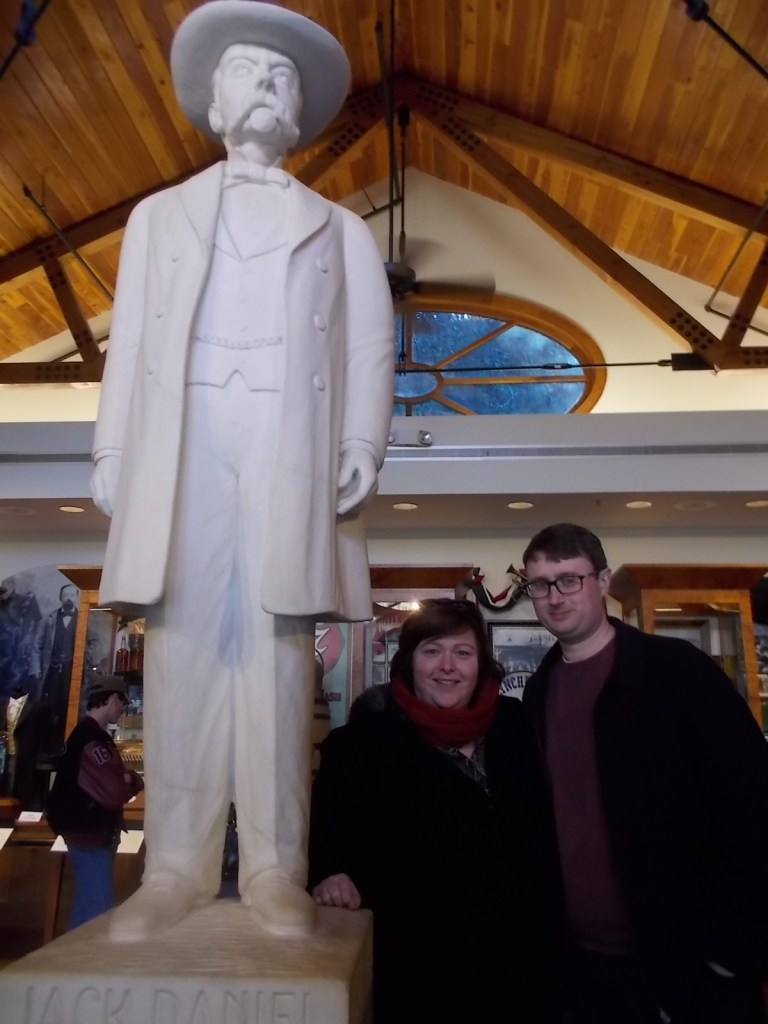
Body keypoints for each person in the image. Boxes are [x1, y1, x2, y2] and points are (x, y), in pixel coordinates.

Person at [89, 0, 393, 942]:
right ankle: (174, 864)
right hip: (186, 434)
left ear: (298, 114)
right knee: (180, 647)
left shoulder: (338, 227)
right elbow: (128, 339)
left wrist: (361, 444)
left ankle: (273, 867)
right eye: (247, 70)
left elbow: (373, 347)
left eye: (283, 76)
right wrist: (110, 448)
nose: (265, 83)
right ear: (212, 101)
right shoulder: (156, 217)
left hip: (288, 439)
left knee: (275, 650)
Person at [520, 522, 768, 1024]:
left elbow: (753, 806)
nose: (554, 597)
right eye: (540, 584)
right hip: (586, 969)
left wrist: (730, 957)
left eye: (570, 579)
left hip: (693, 967)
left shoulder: (677, 672)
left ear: (603, 581)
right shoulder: (539, 690)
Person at [308, 599, 565, 1024]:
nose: (448, 666)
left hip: (524, 976)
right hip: (418, 980)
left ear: (481, 663)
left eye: (463, 653)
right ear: (408, 662)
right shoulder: (359, 745)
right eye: (432, 651)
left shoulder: (517, 726)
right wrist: (329, 873)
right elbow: (324, 841)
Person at [46, 676, 144, 930]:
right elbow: (114, 789)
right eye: (122, 703)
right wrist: (132, 781)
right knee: (100, 910)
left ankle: (65, 964)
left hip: (88, 831)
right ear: (112, 699)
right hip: (88, 832)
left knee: (87, 906)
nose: (123, 709)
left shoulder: (88, 736)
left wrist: (123, 777)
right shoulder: (91, 740)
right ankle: (81, 966)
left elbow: (116, 779)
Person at [29, 582, 79, 757]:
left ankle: (65, 749)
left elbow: (91, 644)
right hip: (51, 670)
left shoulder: (83, 620)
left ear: (77, 598)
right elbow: (36, 645)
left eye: (72, 595)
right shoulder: (49, 618)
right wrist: (35, 668)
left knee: (67, 707)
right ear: (60, 598)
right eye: (66, 595)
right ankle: (45, 749)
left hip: (71, 673)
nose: (69, 599)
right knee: (48, 709)